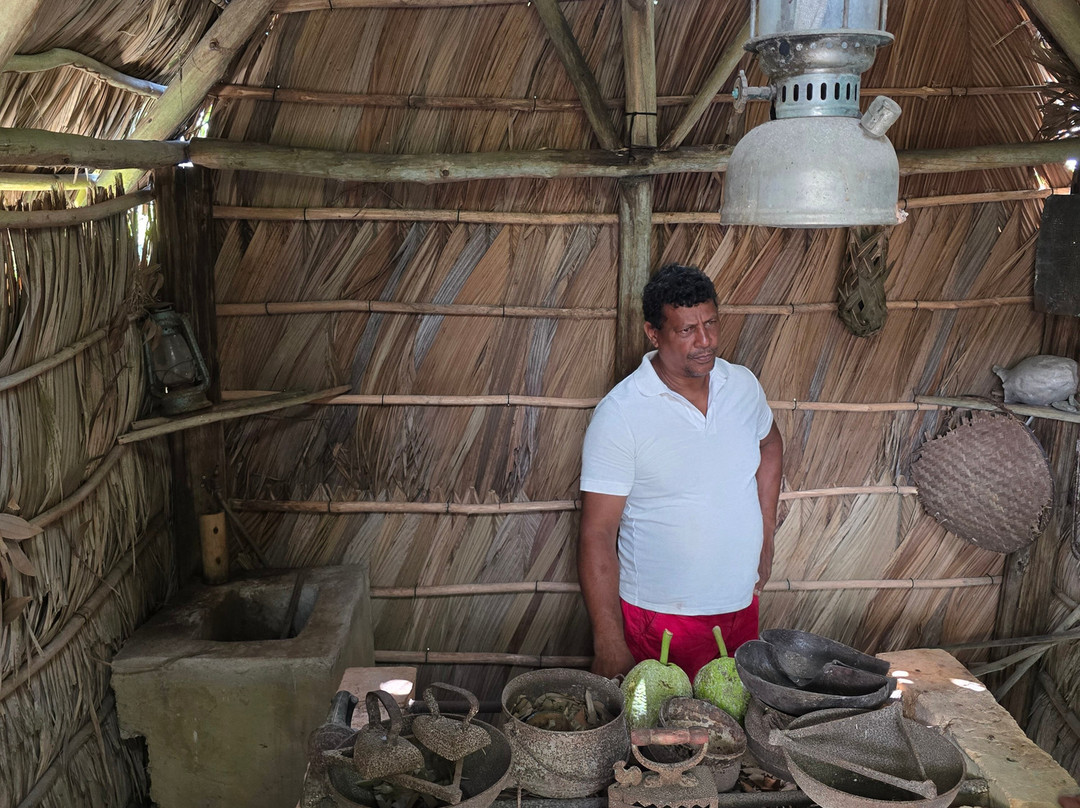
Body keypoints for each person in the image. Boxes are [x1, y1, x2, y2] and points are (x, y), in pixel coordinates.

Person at [578, 263, 783, 680]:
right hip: (659, 620)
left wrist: (766, 532)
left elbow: (770, 444)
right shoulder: (622, 414)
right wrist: (609, 641)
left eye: (711, 323)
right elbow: (597, 533)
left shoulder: (742, 386)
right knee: (660, 721)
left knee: (734, 717)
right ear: (653, 334)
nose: (705, 341)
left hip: (740, 607)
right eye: (687, 330)